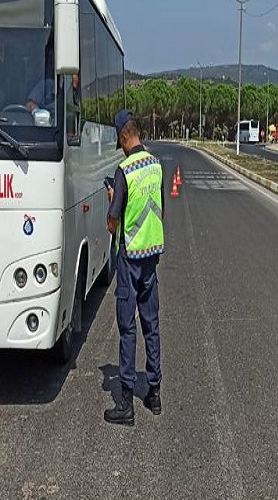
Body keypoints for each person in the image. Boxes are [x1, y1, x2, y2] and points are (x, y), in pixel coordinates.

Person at [104, 110, 165, 427]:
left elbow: (112, 223)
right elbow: (159, 209)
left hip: (129, 259)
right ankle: (154, 393)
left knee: (128, 329)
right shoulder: (156, 165)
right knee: (151, 325)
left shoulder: (124, 171)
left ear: (124, 136)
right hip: (151, 256)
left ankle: (126, 403)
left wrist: (112, 199)